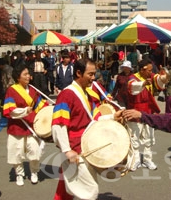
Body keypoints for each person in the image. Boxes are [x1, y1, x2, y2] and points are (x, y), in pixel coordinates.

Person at [52, 58, 123, 200]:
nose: (93, 78)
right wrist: (67, 150)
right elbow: (59, 124)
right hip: (75, 147)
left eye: (94, 74)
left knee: (67, 188)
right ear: (79, 73)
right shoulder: (67, 94)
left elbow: (95, 119)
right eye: (90, 74)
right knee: (90, 190)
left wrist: (113, 117)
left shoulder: (87, 94)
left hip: (87, 144)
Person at [3, 64, 49, 186]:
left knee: (34, 150)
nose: (29, 76)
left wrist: (50, 109)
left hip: (31, 125)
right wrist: (24, 111)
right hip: (16, 126)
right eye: (25, 74)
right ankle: (19, 174)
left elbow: (40, 106)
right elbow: (9, 110)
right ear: (18, 77)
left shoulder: (33, 90)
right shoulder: (11, 90)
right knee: (16, 152)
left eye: (28, 74)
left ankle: (34, 172)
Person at [126, 58, 169, 171]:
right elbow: (132, 87)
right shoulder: (132, 78)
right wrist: (144, 83)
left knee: (149, 137)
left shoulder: (150, 77)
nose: (151, 72)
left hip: (148, 110)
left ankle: (147, 159)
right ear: (142, 70)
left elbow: (159, 81)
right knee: (134, 137)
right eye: (149, 70)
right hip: (135, 109)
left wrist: (164, 78)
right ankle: (135, 160)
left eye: (151, 70)